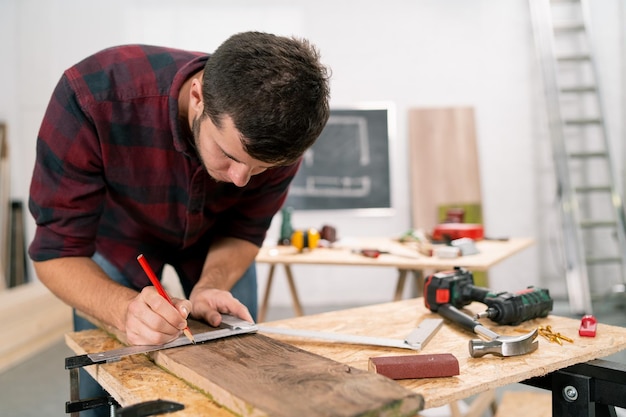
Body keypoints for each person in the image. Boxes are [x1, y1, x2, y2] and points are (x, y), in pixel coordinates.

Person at [28, 31, 330, 416]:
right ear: (198, 96)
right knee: (103, 385)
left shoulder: (282, 137)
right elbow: (57, 253)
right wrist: (123, 311)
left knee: (238, 369)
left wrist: (212, 284)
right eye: (229, 155)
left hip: (215, 240)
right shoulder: (92, 96)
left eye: (259, 169)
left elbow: (244, 230)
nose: (241, 180)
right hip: (119, 239)